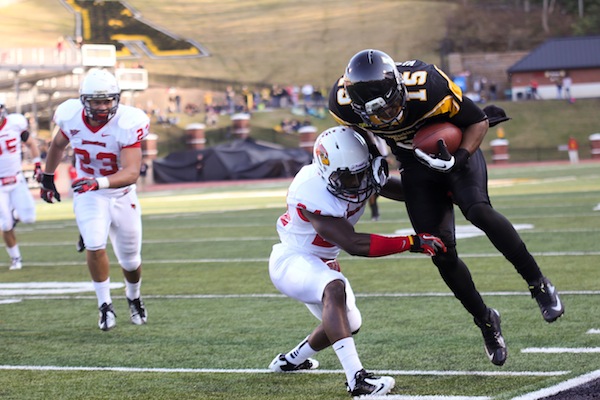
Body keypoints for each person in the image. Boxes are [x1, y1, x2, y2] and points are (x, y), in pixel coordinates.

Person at [328, 49, 564, 367]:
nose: (388, 118)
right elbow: (360, 140)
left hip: (452, 148)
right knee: (439, 250)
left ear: (400, 87)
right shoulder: (341, 103)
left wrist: (460, 159)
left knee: (478, 210)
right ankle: (485, 320)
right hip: (413, 163)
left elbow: (478, 120)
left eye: (392, 106)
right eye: (377, 114)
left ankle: (538, 284)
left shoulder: (428, 86)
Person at [268, 126, 446, 396]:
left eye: (359, 175)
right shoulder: (310, 190)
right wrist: (412, 242)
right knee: (334, 286)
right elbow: (353, 244)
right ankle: (358, 382)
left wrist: (443, 191)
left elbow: (399, 190)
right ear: (326, 173)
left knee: (349, 324)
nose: (355, 183)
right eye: (347, 178)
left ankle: (289, 360)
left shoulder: (361, 172)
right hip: (292, 260)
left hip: (321, 262)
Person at [39, 68, 149, 331]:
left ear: (117, 99)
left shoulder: (127, 122)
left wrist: (97, 182)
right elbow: (57, 145)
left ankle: (133, 296)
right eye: (96, 101)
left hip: (120, 193)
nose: (102, 107)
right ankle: (105, 305)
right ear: (83, 101)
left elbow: (132, 173)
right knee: (95, 244)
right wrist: (47, 176)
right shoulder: (71, 117)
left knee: (131, 261)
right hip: (88, 192)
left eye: (107, 100)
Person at [0, 103, 41, 270]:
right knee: (5, 225)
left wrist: (37, 164)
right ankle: (16, 258)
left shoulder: (14, 124)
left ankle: (13, 213)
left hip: (16, 179)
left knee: (29, 218)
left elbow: (31, 143)